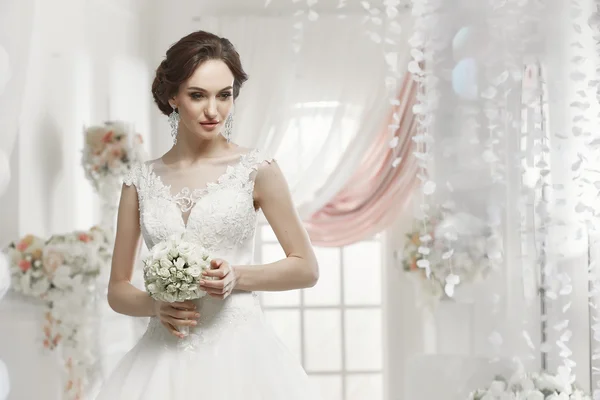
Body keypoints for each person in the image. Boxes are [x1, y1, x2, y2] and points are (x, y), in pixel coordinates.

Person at [96, 30, 321, 399]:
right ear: (172, 97)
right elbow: (118, 289)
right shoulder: (139, 181)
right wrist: (155, 306)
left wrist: (238, 275)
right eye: (197, 95)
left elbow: (306, 268)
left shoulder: (257, 169)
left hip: (241, 359)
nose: (213, 110)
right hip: (161, 357)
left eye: (224, 95)